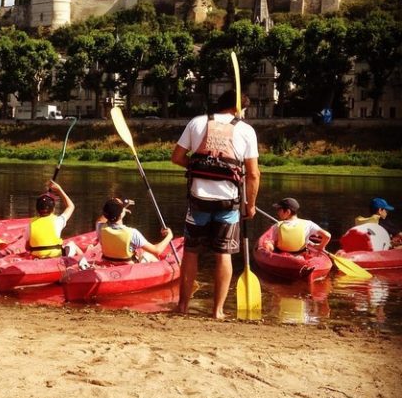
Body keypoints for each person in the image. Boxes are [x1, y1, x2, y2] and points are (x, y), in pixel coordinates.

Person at [171, 89, 260, 319]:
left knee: (191, 252)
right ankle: (217, 311)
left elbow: (177, 157)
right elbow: (253, 174)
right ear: (239, 108)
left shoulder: (197, 122)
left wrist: (199, 166)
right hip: (228, 204)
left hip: (198, 201)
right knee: (223, 254)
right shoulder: (246, 130)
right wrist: (250, 205)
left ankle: (182, 307)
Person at [97, 197, 173, 263]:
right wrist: (169, 235)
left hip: (109, 263)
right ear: (121, 214)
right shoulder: (132, 233)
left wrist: (117, 209)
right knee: (148, 255)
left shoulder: (100, 227)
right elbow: (157, 250)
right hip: (128, 268)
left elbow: (102, 218)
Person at [24, 180, 75, 258]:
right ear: (53, 209)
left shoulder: (30, 224)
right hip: (56, 257)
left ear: (37, 209)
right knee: (72, 245)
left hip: (37, 257)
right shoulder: (57, 221)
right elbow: (71, 206)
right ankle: (84, 265)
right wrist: (59, 190)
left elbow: (27, 247)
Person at [262, 198, 331, 253]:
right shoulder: (308, 224)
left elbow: (270, 240)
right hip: (300, 253)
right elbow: (327, 236)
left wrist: (268, 244)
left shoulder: (277, 225)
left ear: (288, 212)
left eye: (280, 210)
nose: (277, 212)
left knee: (268, 243)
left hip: (281, 254)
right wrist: (320, 246)